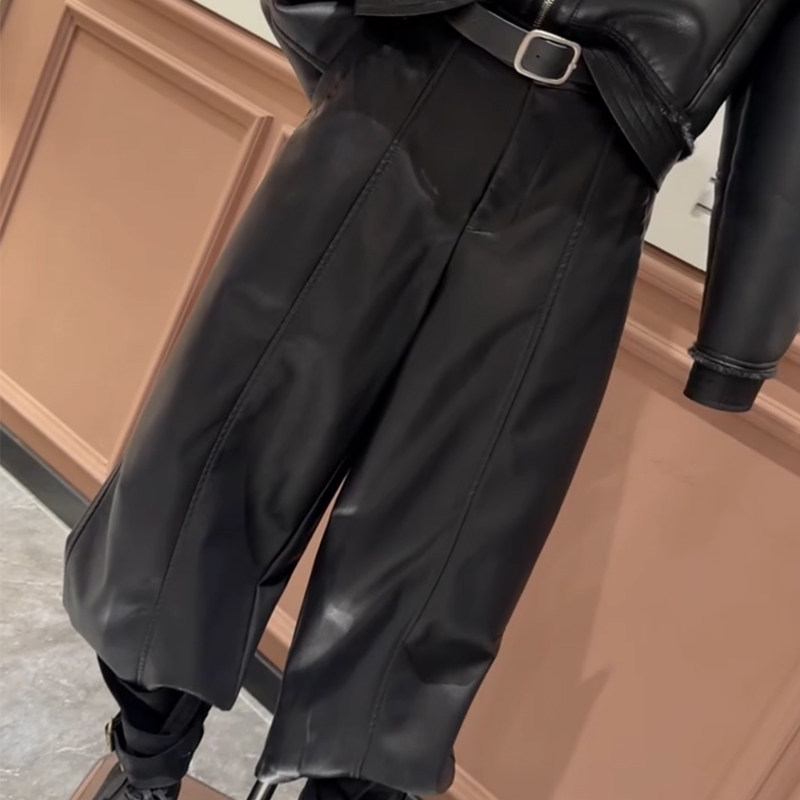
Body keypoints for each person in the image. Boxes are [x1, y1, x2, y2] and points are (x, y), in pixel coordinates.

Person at [63, 0, 800, 798]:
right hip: (404, 82)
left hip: (588, 182)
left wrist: (740, 344)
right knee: (208, 472)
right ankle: (146, 767)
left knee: (436, 563)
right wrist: (357, 68)